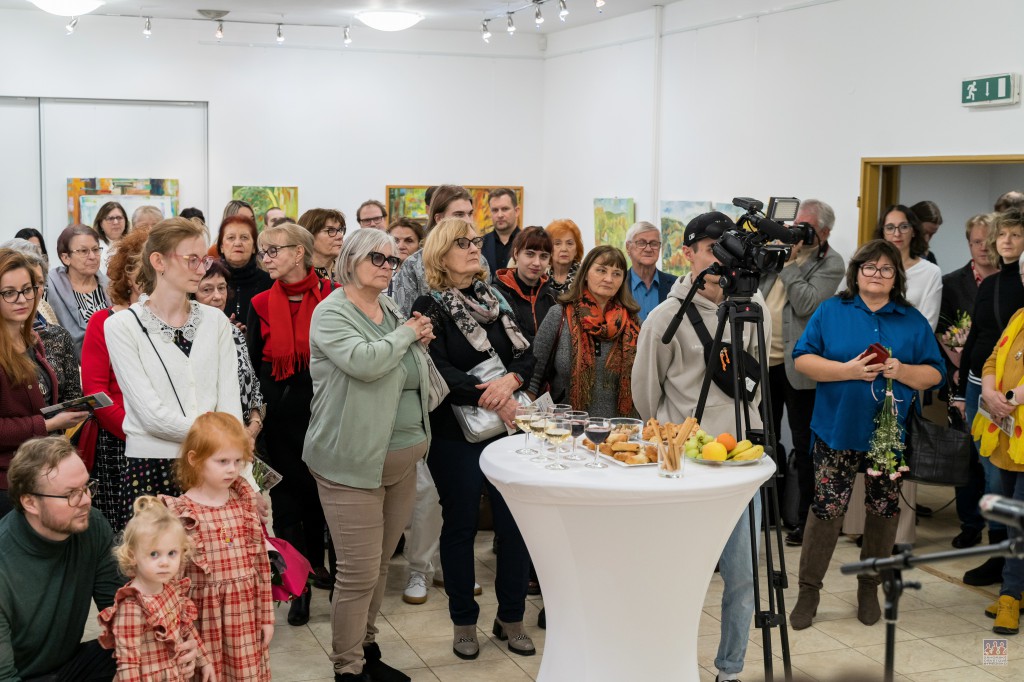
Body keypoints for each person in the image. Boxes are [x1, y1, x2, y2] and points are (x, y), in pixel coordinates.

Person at [632, 212, 768, 682]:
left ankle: (730, 670)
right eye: (711, 248)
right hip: (686, 466)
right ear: (687, 253)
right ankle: (667, 667)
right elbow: (646, 396)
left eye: (729, 247)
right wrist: (679, 438)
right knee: (678, 578)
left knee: (744, 577)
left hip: (741, 462)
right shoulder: (663, 318)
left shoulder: (754, 307)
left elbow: (757, 379)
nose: (721, 258)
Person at [790, 239, 943, 630]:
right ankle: (809, 591)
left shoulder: (911, 320)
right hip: (836, 429)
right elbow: (803, 359)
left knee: (883, 510)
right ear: (856, 273)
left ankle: (868, 587)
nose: (877, 274)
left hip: (887, 439)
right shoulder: (831, 310)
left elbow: (935, 373)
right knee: (827, 510)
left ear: (896, 278)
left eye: (886, 269)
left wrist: (902, 370)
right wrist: (848, 371)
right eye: (869, 267)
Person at [306, 229, 432, 682]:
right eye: (377, 258)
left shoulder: (392, 308)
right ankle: (348, 668)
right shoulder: (331, 312)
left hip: (402, 460)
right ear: (351, 259)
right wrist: (406, 336)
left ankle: (366, 647)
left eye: (392, 260)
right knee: (357, 573)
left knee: (379, 566)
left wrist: (417, 341)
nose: (387, 266)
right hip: (352, 462)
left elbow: (405, 364)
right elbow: (365, 362)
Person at [411, 217, 537, 660]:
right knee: (461, 526)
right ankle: (464, 622)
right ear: (441, 254)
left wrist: (512, 382)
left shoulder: (494, 297)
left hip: (507, 430)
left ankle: (512, 617)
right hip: (455, 434)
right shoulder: (429, 305)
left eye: (476, 241)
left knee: (514, 526)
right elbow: (437, 368)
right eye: (461, 242)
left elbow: (527, 353)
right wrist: (496, 396)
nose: (472, 248)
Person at [0, 437, 201, 679]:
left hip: (70, 665)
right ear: (30, 502)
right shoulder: (5, 562)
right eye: (71, 494)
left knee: (149, 652)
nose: (86, 500)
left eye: (86, 487)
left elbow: (122, 608)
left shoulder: (91, 524)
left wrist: (175, 641)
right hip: (19, 676)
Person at [105, 218, 244, 499]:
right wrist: (218, 436)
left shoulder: (215, 321)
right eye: (192, 260)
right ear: (159, 261)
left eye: (204, 260)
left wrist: (242, 473)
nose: (201, 269)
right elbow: (150, 416)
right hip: (152, 467)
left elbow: (231, 405)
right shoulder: (122, 325)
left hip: (214, 463)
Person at [248, 221, 333, 626]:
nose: (266, 258)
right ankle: (297, 587)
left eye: (273, 250)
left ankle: (317, 567)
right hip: (279, 420)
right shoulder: (260, 302)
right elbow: (252, 367)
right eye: (263, 252)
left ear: (299, 252)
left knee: (318, 499)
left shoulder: (332, 296)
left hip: (324, 415)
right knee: (286, 505)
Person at [757, 199, 845, 546]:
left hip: (799, 366)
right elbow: (756, 290)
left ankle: (805, 520)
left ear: (825, 232)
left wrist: (790, 263)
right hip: (763, 360)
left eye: (805, 227)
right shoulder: (779, 251)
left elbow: (807, 303)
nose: (797, 233)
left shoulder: (831, 262)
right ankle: (764, 512)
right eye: (795, 226)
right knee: (762, 439)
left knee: (805, 445)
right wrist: (772, 251)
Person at [161, 413, 273, 681]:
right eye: (222, 461)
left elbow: (261, 566)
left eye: (237, 461)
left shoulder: (244, 503)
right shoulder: (180, 513)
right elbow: (171, 585)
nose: (232, 469)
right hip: (203, 624)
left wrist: (267, 617)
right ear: (195, 459)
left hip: (244, 618)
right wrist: (183, 634)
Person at [955, 209, 1024, 586]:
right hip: (978, 384)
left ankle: (1008, 558)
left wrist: (1008, 394)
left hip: (1013, 393)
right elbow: (977, 339)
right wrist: (960, 393)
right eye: (1003, 235)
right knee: (987, 467)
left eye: (1016, 234)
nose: (1007, 241)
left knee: (1004, 474)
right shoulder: (991, 283)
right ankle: (998, 552)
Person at [0, 249, 88, 516]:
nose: (22, 299)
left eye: (27, 290)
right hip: (8, 482)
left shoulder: (32, 340)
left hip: (41, 470)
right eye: (9, 293)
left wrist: (64, 412)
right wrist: (49, 424)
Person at [97, 496, 214, 681]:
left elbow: (186, 627)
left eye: (172, 553)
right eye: (154, 554)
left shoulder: (171, 589)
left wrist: (204, 660)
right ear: (132, 555)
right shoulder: (131, 606)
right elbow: (128, 665)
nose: (164, 562)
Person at [81, 228, 149, 533]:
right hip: (119, 442)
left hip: (169, 439)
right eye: (142, 268)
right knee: (123, 537)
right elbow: (95, 393)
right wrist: (133, 431)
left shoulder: (174, 320)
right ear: (127, 274)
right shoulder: (103, 321)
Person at [529, 245, 640, 417]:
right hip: (566, 426)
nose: (609, 279)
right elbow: (535, 373)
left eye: (617, 274)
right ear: (586, 273)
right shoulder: (559, 315)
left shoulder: (633, 324)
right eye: (601, 270)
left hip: (620, 428)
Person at [941, 214, 997, 549]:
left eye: (989, 241)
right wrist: (958, 365)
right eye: (977, 242)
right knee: (965, 456)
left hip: (1002, 385)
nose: (983, 248)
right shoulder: (952, 283)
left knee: (995, 459)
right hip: (961, 379)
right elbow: (942, 328)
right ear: (969, 244)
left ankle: (998, 528)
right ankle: (970, 523)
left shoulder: (1014, 280)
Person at [972, 304, 1024, 635]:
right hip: (1009, 436)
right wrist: (990, 393)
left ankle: (1009, 595)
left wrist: (1012, 397)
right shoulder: (1019, 315)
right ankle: (1018, 589)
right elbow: (992, 359)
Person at [193, 259, 266, 441]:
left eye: (222, 288)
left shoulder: (233, 332)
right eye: (207, 290)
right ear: (192, 295)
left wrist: (254, 424)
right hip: (207, 439)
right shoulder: (188, 337)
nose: (218, 296)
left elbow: (253, 385)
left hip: (244, 436)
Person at [392, 184, 478, 315]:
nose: (468, 221)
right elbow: (403, 318)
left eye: (470, 214)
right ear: (439, 219)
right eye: (459, 214)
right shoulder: (413, 265)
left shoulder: (478, 258)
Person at [47, 224, 112, 358]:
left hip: (113, 360)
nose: (92, 256)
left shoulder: (111, 287)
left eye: (95, 249)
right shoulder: (50, 288)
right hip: (68, 364)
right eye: (83, 251)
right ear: (66, 258)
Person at [873, 204, 942, 330]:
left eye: (904, 227)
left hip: (912, 341)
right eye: (890, 228)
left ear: (913, 231)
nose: (897, 233)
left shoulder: (931, 272)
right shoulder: (867, 268)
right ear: (883, 232)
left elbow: (928, 325)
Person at [492, 226, 558, 340]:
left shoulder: (555, 299)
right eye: (530, 254)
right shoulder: (495, 296)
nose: (537, 263)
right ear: (516, 254)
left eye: (543, 256)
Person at [216, 213, 272, 328]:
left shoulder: (270, 283)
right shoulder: (209, 282)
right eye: (231, 238)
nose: (237, 243)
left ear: (254, 247)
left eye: (244, 237)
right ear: (221, 246)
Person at [625, 220, 677, 321]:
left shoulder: (676, 285)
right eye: (641, 243)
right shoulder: (617, 285)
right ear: (628, 247)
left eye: (654, 244)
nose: (648, 249)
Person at [297, 207, 347, 281]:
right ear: (309, 236)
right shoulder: (297, 275)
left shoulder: (349, 272)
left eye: (340, 230)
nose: (340, 236)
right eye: (331, 230)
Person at [481, 188, 521, 275]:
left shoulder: (528, 242)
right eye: (495, 210)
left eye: (505, 209)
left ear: (516, 211)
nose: (499, 215)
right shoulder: (480, 244)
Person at [545, 219, 583, 295]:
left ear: (576, 249)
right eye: (557, 243)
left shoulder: (584, 277)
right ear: (548, 248)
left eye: (569, 243)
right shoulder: (542, 277)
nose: (564, 249)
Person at [93, 201, 131, 273]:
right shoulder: (95, 246)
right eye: (110, 219)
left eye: (119, 218)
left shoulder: (132, 244)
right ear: (100, 224)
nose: (116, 222)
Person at [910, 200, 942, 265]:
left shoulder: (930, 257)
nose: (926, 240)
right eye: (923, 233)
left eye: (931, 234)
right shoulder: (892, 254)